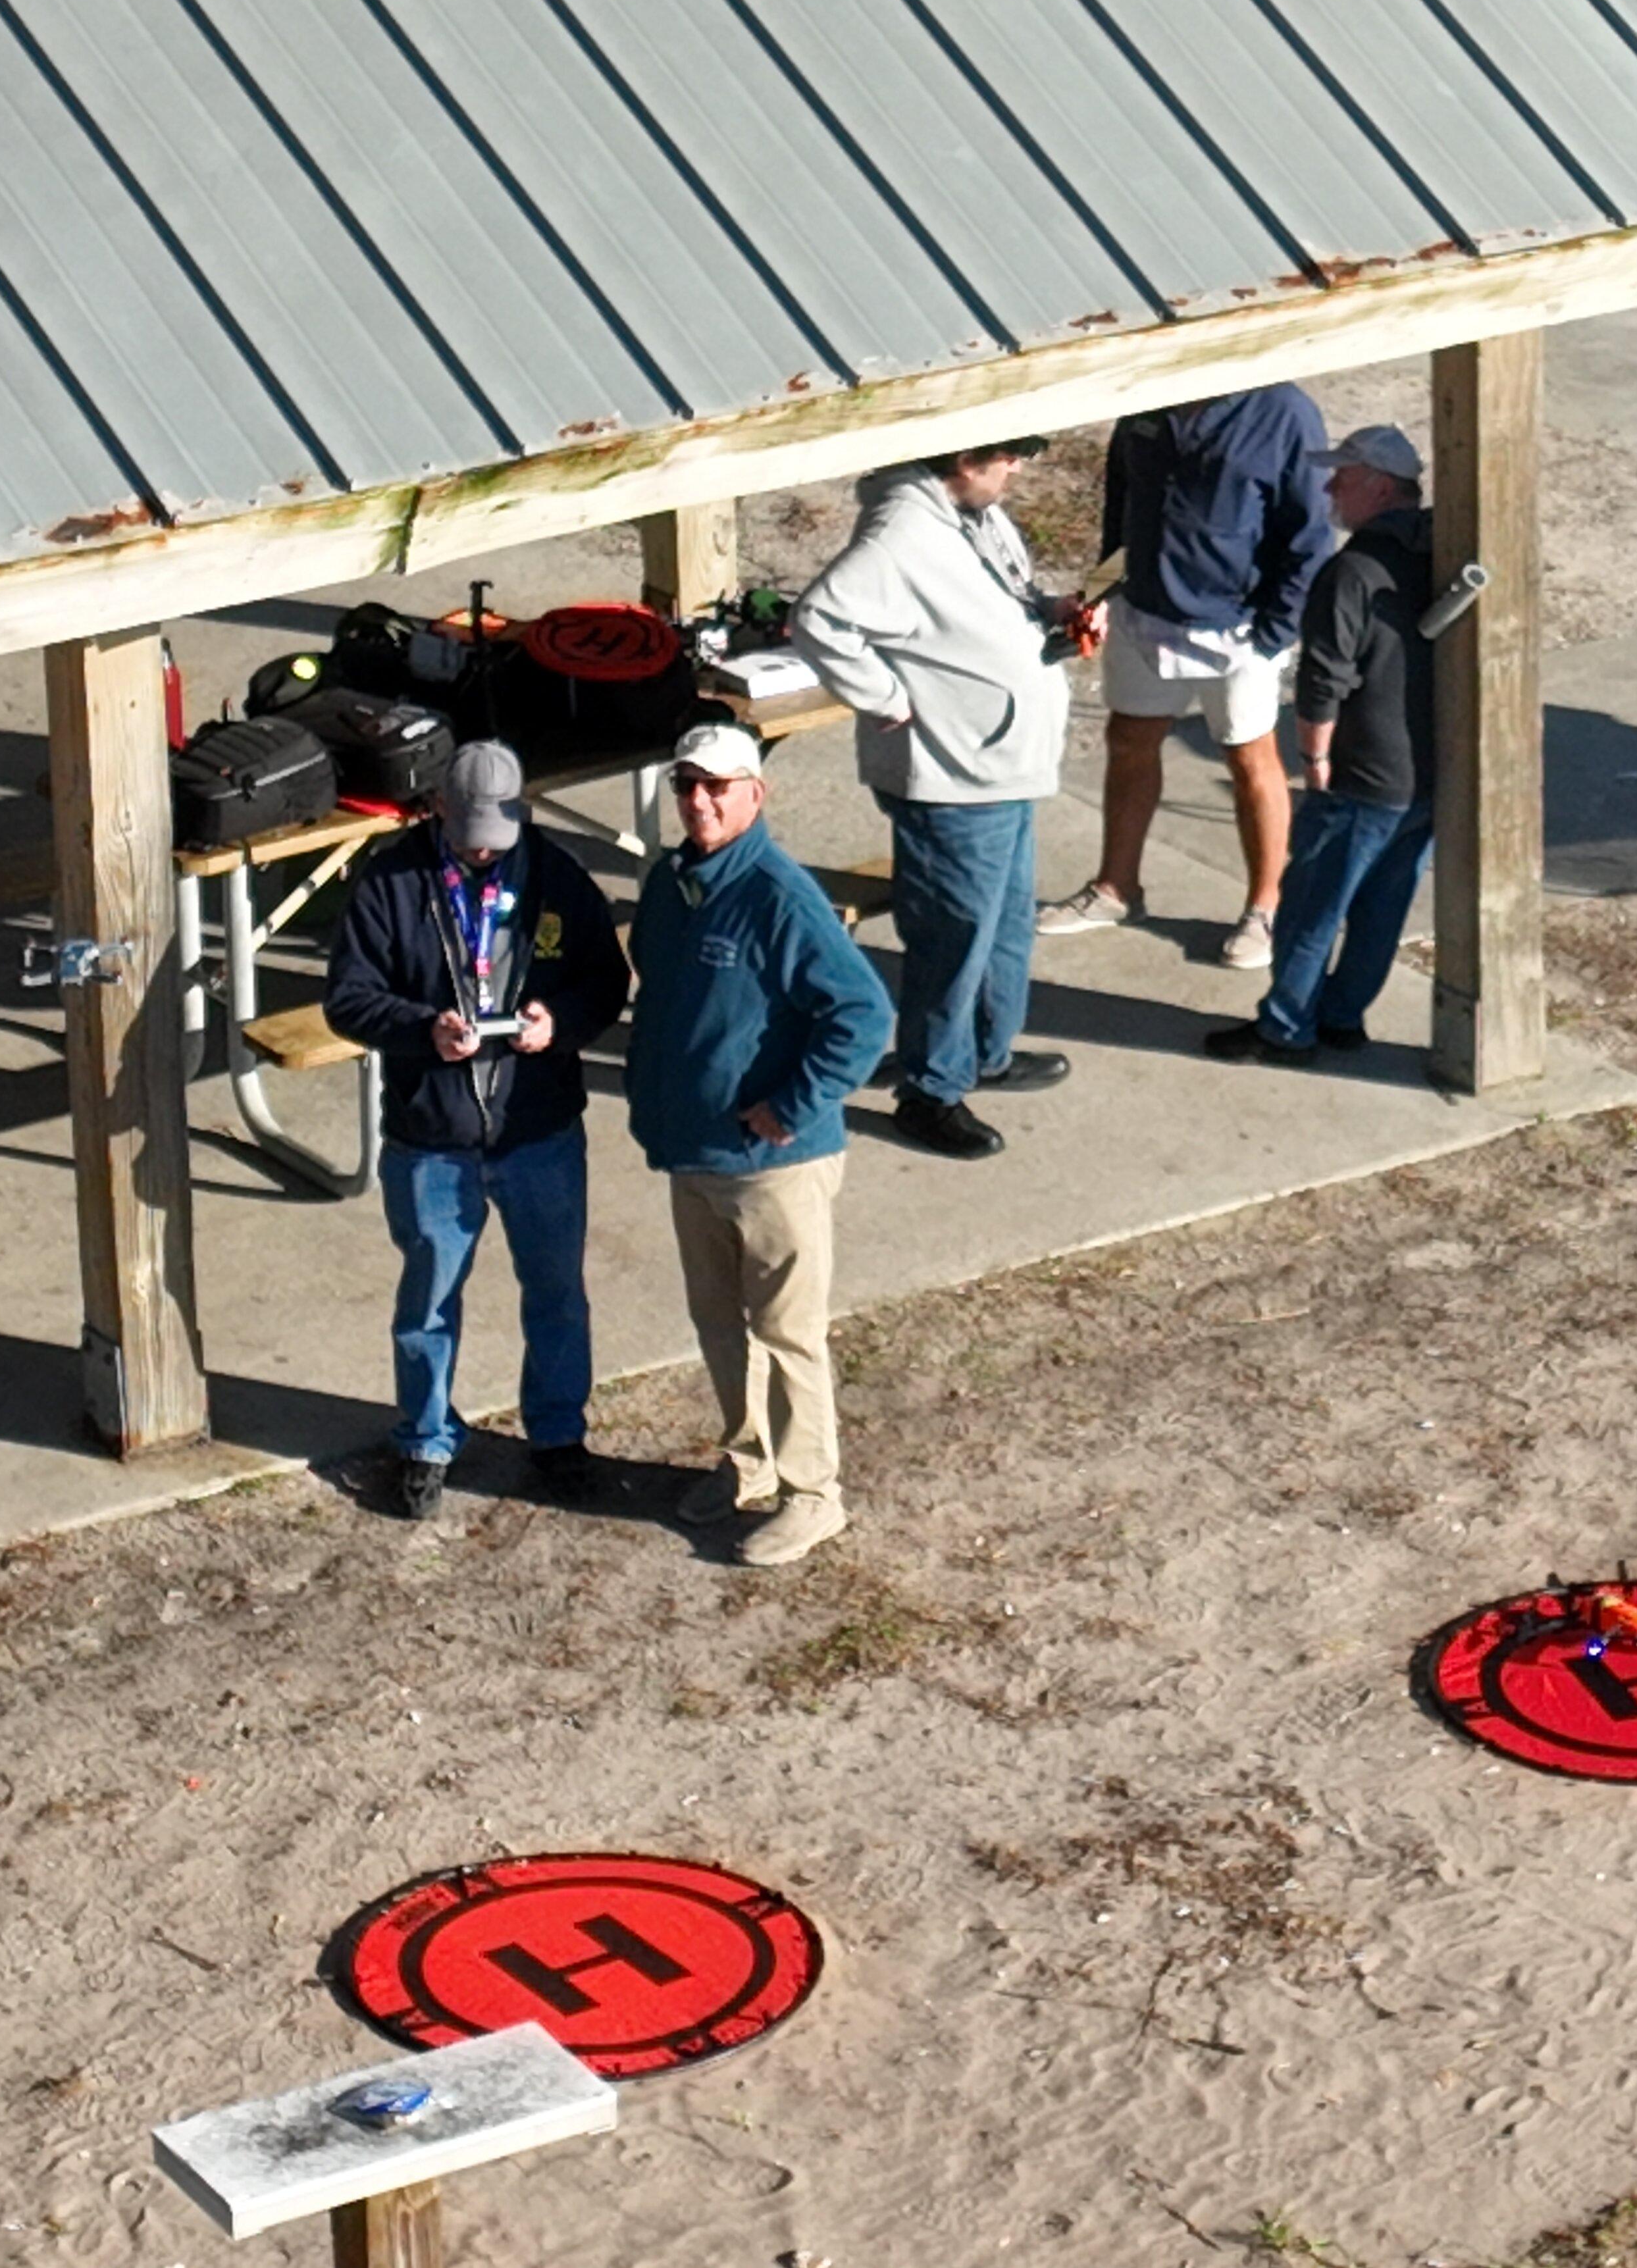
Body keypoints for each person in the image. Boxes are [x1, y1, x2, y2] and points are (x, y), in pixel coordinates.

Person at [325, 740, 629, 1520]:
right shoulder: (391, 882)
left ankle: (559, 1435)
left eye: (497, 833)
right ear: (437, 810)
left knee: (557, 1291)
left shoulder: (557, 875)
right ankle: (426, 1440)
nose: (485, 849)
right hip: (432, 1137)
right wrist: (422, 1028)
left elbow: (606, 979)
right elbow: (348, 998)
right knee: (429, 1298)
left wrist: (558, 1021)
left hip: (539, 1128)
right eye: (469, 834)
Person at [625, 723, 894, 1566]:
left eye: (718, 786)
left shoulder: (780, 896)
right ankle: (749, 1462)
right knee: (718, 1322)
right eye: (687, 785)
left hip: (775, 1164)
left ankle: (814, 1494)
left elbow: (864, 1013)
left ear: (756, 794)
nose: (700, 801)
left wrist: (794, 1104)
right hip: (692, 1152)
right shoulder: (671, 884)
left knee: (786, 1332)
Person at [791, 439, 1078, 1161]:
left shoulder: (977, 514)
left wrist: (1053, 611)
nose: (1020, 467)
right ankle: (930, 1089)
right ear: (966, 458)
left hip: (1005, 766)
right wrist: (886, 697)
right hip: (954, 777)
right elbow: (818, 619)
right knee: (954, 940)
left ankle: (984, 1054)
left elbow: (1000, 599)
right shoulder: (900, 534)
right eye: (1011, 454)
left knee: (1006, 926)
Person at [1039, 386, 1333, 969]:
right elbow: (1121, 513)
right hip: (1143, 613)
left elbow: (1311, 537)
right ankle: (1116, 888)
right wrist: (1099, 593)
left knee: (1250, 758)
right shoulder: (1148, 398)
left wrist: (1272, 634)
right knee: (1129, 740)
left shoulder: (1285, 413)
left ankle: (1266, 908)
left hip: (1238, 629)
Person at [1204, 425, 1440, 1067]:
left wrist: (1315, 762)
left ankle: (1286, 1028)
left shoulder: (1352, 572)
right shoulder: (1436, 555)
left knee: (1311, 908)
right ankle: (1342, 1017)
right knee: (1381, 909)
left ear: (1381, 487)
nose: (1330, 487)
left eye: (1344, 476)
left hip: (1361, 772)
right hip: (1424, 773)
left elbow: (1323, 679)